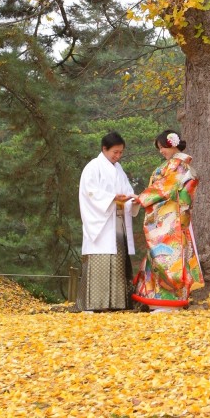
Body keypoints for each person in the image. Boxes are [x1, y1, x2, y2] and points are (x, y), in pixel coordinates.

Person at [130, 130, 204, 311]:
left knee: (168, 257)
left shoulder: (178, 166)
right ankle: (161, 300)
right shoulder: (178, 165)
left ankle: (168, 301)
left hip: (171, 218)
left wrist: (142, 198)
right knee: (163, 256)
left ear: (172, 144)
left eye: (162, 147)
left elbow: (164, 188)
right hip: (171, 216)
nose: (161, 151)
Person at [76, 131, 139, 312]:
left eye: (120, 152)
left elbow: (127, 190)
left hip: (116, 221)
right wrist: (112, 198)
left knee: (118, 259)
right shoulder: (93, 167)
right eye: (115, 152)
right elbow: (91, 193)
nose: (118, 156)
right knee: (102, 258)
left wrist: (131, 199)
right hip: (101, 223)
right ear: (104, 149)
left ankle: (118, 302)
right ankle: (96, 303)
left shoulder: (118, 169)